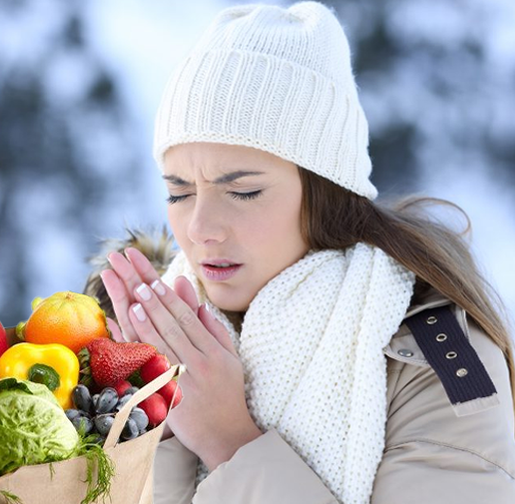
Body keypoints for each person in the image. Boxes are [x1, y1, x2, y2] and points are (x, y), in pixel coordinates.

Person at [99, 2, 515, 503]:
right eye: (179, 192)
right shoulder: (136, 341)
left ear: (325, 191)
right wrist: (155, 429)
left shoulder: (432, 364)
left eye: (244, 191)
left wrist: (228, 441)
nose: (201, 228)